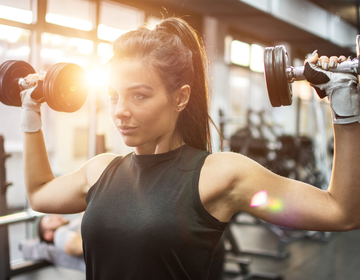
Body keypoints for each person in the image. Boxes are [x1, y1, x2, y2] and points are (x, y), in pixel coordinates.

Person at [20, 17, 360, 280]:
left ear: (180, 97)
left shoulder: (219, 176)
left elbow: (341, 212)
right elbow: (39, 194)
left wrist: (343, 102)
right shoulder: (101, 170)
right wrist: (30, 110)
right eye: (113, 96)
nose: (120, 110)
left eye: (139, 95)